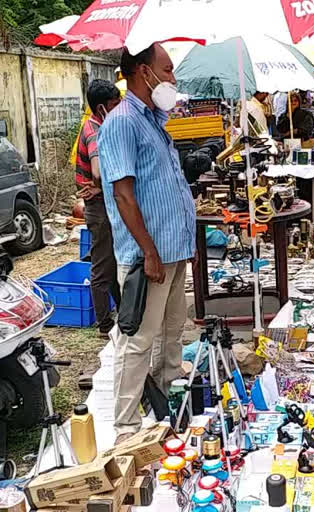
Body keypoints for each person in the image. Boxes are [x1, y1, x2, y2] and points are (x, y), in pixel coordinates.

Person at [98, 43, 196, 443]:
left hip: (173, 251)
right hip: (149, 256)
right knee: (137, 341)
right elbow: (123, 195)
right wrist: (149, 252)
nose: (172, 79)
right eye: (168, 70)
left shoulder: (155, 120)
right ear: (143, 72)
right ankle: (126, 428)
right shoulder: (121, 123)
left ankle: (165, 399)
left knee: (172, 330)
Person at [75, 79, 122, 339]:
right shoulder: (94, 130)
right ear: (103, 107)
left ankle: (123, 313)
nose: (118, 109)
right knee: (103, 267)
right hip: (99, 208)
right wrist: (102, 186)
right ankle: (104, 325)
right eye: (115, 105)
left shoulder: (100, 126)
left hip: (104, 204)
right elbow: (97, 172)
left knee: (113, 263)